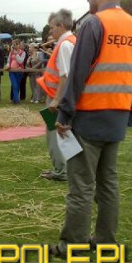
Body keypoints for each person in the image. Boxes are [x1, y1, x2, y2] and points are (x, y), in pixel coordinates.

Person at [51, 0, 132, 257]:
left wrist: (64, 114)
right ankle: (105, 241)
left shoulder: (94, 23)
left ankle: (74, 244)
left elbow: (78, 73)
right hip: (116, 116)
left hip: (89, 116)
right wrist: (130, 111)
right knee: (108, 183)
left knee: (81, 184)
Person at [37, 9, 76, 182]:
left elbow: (65, 76)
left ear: (61, 26)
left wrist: (57, 100)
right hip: (61, 97)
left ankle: (61, 171)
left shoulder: (65, 45)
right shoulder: (70, 41)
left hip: (56, 98)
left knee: (56, 136)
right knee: (65, 135)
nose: (50, 31)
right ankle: (67, 169)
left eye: (52, 27)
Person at [6, 39, 26, 104]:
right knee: (14, 85)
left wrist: (16, 54)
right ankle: (17, 100)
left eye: (16, 44)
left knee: (17, 85)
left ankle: (15, 99)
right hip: (11, 71)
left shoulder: (23, 52)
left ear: (19, 45)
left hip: (19, 71)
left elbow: (20, 61)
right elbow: (9, 61)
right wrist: (7, 65)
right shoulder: (11, 52)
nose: (15, 46)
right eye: (14, 45)